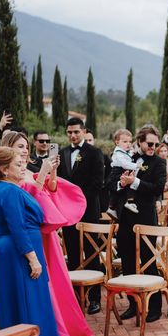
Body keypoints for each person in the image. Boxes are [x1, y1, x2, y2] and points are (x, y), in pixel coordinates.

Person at [1, 131, 97, 336]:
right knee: (45, 288)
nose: (25, 151)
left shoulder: (27, 172)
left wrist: (50, 172)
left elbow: (47, 193)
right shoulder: (9, 177)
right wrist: (42, 174)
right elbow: (29, 204)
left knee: (58, 284)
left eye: (25, 146)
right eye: (20, 146)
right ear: (8, 149)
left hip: (46, 236)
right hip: (32, 237)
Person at [0, 146, 64, 336]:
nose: (23, 164)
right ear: (4, 169)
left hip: (9, 250)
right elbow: (17, 227)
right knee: (30, 302)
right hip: (19, 251)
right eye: (17, 163)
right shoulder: (10, 191)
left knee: (13, 303)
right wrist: (32, 259)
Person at [109, 125, 167, 323]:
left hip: (146, 218)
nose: (152, 147)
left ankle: (155, 307)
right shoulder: (126, 158)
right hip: (125, 218)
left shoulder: (159, 163)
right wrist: (121, 184)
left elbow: (158, 187)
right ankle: (133, 305)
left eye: (155, 144)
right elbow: (111, 182)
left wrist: (134, 183)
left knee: (148, 260)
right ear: (140, 142)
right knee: (127, 262)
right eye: (149, 144)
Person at [57, 117, 105, 315]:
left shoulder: (94, 153)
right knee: (74, 255)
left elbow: (97, 183)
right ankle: (77, 297)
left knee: (92, 255)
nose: (73, 135)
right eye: (69, 132)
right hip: (68, 215)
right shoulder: (62, 153)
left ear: (83, 131)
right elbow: (59, 182)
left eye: (76, 132)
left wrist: (77, 202)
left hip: (88, 212)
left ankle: (94, 298)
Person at [106, 129, 141, 220]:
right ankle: (129, 202)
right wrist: (136, 166)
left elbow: (133, 155)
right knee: (126, 184)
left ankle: (112, 207)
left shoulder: (127, 151)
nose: (128, 144)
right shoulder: (118, 152)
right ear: (117, 142)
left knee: (125, 185)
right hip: (118, 171)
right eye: (125, 141)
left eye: (130, 141)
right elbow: (124, 164)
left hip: (123, 170)